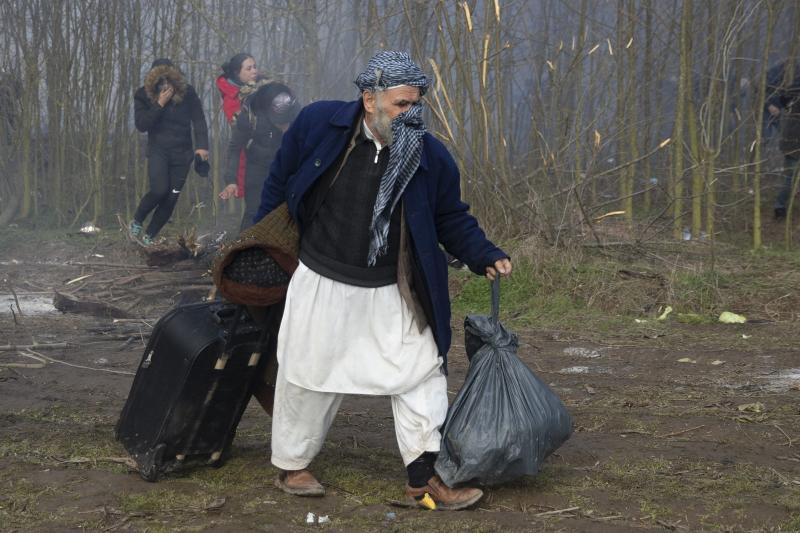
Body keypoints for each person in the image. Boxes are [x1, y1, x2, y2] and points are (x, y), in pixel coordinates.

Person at [256, 51, 512, 510]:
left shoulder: (428, 155)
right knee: (306, 376)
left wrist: (484, 254)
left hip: (390, 286)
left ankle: (423, 480)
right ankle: (293, 465)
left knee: (421, 372)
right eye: (400, 104)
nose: (410, 113)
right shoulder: (320, 125)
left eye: (415, 104)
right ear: (369, 98)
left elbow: (450, 216)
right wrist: (259, 244)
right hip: (322, 278)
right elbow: (280, 184)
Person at [130, 59, 209, 244]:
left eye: (169, 80)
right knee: (159, 190)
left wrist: (202, 146)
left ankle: (149, 235)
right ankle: (137, 220)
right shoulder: (143, 95)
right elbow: (142, 125)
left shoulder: (188, 93)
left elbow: (198, 119)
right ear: (153, 80)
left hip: (183, 154)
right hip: (159, 151)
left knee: (171, 197)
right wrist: (159, 103)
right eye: (161, 81)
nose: (166, 85)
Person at [219, 80, 299, 230]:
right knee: (254, 211)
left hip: (286, 168)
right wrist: (231, 180)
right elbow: (235, 148)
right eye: (281, 122)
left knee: (286, 212)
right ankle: (242, 248)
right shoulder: (250, 115)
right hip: (257, 166)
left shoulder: (297, 112)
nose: (285, 126)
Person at [216, 53, 259, 203]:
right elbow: (241, 133)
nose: (254, 71)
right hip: (250, 158)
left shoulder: (261, 86)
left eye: (255, 66)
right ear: (237, 73)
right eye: (249, 68)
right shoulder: (232, 100)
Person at [768, 60, 800, 220]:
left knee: (789, 176)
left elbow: (780, 99)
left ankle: (780, 208)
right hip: (793, 139)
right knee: (789, 176)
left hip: (791, 138)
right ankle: (780, 208)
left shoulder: (792, 87)